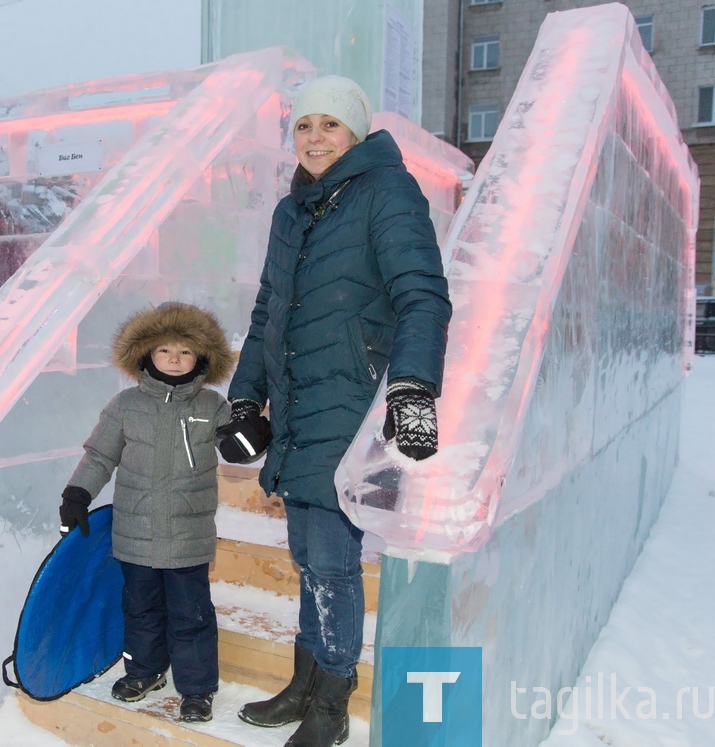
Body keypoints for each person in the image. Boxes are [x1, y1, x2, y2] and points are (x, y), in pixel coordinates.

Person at [218, 75, 452, 746]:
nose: (315, 138)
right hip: (296, 403)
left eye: (330, 125)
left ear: (356, 132)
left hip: (350, 404)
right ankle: (306, 680)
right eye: (304, 126)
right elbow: (269, 307)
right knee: (305, 552)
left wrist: (412, 386)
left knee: (331, 557)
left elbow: (422, 296)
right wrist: (245, 394)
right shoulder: (292, 211)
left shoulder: (387, 191)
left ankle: (332, 700)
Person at [58, 302, 233, 724]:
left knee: (191, 615)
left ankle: (196, 688)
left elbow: (235, 446)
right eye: (165, 350)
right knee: (139, 608)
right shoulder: (125, 405)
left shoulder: (212, 406)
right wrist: (77, 493)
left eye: (185, 352)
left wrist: (251, 438)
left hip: (187, 533)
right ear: (146, 355)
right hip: (134, 531)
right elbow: (100, 455)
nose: (175, 359)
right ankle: (144, 670)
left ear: (202, 359)